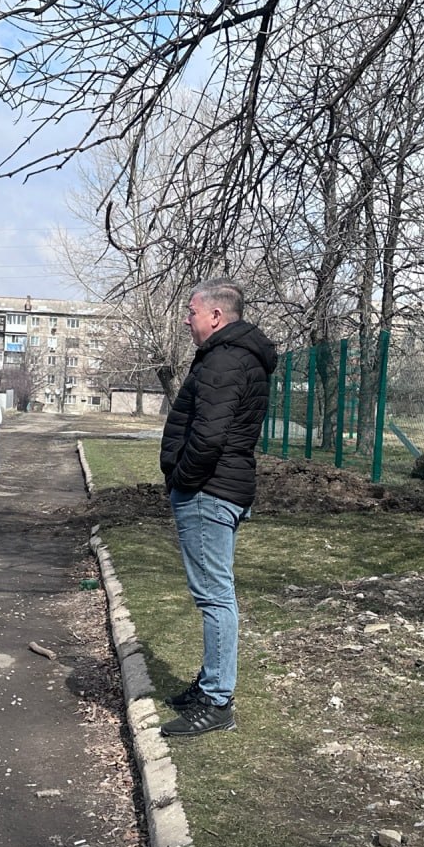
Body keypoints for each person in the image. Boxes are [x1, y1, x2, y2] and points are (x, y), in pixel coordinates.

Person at [157, 277, 276, 737]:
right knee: (215, 592)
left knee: (215, 596)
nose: (186, 320)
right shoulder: (236, 355)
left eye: (191, 312)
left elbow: (208, 437)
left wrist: (182, 479)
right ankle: (211, 684)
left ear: (216, 315)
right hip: (222, 486)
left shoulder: (225, 359)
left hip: (209, 490)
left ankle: (217, 701)